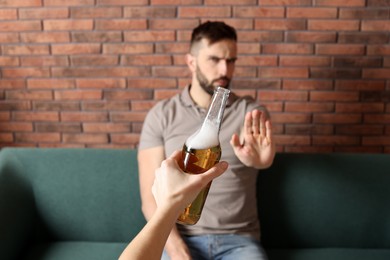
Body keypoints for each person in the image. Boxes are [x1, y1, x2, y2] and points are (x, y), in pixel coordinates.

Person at [138, 21, 275, 259]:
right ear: (191, 61)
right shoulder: (161, 115)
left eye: (231, 60)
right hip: (180, 239)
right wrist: (176, 249)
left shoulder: (249, 112)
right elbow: (149, 199)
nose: (225, 70)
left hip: (239, 243)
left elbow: (258, 157)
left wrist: (261, 162)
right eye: (214, 59)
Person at [119, 151, 228, 260]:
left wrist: (170, 204)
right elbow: (149, 200)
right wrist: (177, 251)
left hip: (236, 239)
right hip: (183, 238)